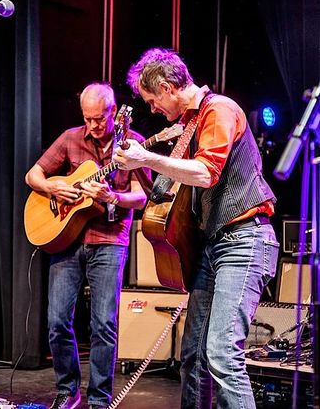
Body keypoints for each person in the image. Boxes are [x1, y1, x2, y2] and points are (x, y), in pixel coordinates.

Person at [113, 48, 280, 409]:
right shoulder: (191, 122)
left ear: (168, 87)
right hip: (214, 246)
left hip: (245, 240)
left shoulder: (219, 109)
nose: (153, 110)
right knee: (194, 355)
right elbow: (164, 192)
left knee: (220, 354)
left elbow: (206, 172)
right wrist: (139, 161)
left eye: (153, 100)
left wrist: (146, 156)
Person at [25, 82, 148, 409]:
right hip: (67, 240)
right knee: (56, 322)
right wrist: (53, 189)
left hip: (109, 240)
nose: (93, 125)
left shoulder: (133, 145)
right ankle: (68, 391)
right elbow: (32, 175)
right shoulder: (70, 138)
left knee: (103, 324)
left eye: (99, 118)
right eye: (87, 118)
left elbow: (141, 197)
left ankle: (99, 400)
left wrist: (113, 197)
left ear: (113, 111)